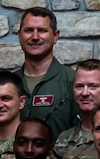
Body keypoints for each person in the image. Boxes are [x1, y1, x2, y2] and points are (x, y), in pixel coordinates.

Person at [11, 7, 71, 136]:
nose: (35, 37)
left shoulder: (72, 81)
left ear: (55, 36)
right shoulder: (10, 83)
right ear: (19, 35)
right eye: (29, 30)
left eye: (42, 31)